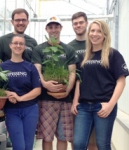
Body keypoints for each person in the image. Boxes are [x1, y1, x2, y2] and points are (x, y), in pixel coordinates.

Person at [71, 20, 129, 150]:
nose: (94, 34)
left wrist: (111, 104)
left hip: (104, 106)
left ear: (105, 35)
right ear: (88, 33)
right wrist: (75, 101)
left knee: (102, 145)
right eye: (92, 30)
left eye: (99, 31)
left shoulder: (113, 54)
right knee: (78, 144)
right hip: (84, 107)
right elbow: (79, 80)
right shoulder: (84, 56)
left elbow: (121, 81)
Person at [32, 16, 78, 150]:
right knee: (47, 137)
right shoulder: (39, 49)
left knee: (63, 136)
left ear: (61, 28)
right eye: (50, 27)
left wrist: (67, 91)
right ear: (46, 29)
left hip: (66, 100)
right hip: (46, 99)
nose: (53, 30)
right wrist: (45, 84)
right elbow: (37, 70)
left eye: (56, 27)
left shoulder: (68, 49)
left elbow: (72, 72)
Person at [0, 34, 41, 150]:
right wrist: (8, 94)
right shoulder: (2, 67)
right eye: (15, 43)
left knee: (28, 146)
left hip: (30, 109)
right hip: (12, 110)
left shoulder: (30, 67)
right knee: (19, 146)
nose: (18, 46)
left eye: (21, 43)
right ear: (10, 45)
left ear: (24, 47)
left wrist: (20, 98)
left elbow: (37, 90)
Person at [68, 12, 97, 150]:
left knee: (93, 141)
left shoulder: (95, 43)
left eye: (81, 22)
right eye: (75, 23)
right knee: (76, 139)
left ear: (86, 23)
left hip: (95, 97)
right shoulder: (69, 47)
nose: (78, 25)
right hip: (75, 100)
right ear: (72, 25)